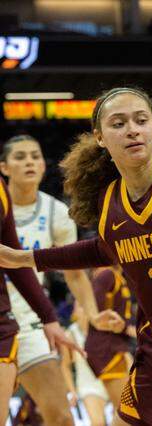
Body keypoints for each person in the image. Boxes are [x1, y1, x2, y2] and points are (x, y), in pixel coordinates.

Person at [0, 87, 152, 426]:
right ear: (100, 137)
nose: (132, 129)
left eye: (141, 120)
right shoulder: (109, 203)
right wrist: (23, 258)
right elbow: (100, 250)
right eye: (119, 123)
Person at [0, 134, 124, 426]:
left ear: (44, 165)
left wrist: (92, 315)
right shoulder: (4, 203)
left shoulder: (57, 212)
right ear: (4, 167)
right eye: (20, 157)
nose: (29, 161)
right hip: (6, 313)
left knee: (61, 416)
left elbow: (74, 273)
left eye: (35, 156)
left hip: (31, 323)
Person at [0, 173, 82, 423]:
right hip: (16, 318)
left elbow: (14, 259)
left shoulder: (52, 210)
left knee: (61, 416)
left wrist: (49, 317)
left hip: (11, 322)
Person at [84, 266, 135, 408]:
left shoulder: (119, 276)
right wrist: (125, 328)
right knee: (125, 410)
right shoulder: (106, 274)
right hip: (105, 347)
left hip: (118, 345)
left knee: (127, 410)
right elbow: (90, 313)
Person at [62, 301, 111, 426]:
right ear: (74, 311)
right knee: (98, 422)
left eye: (86, 306)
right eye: (80, 306)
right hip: (88, 385)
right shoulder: (70, 335)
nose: (83, 309)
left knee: (125, 420)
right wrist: (72, 391)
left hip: (110, 379)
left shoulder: (103, 328)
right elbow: (65, 366)